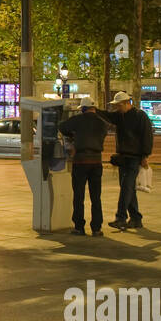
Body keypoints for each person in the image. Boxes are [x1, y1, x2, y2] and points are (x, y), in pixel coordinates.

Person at [96, 91, 154, 230]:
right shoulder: (120, 115)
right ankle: (135, 218)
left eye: (119, 105)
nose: (117, 108)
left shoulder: (140, 116)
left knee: (126, 187)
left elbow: (147, 136)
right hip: (123, 157)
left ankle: (121, 218)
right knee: (128, 188)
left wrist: (145, 156)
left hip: (134, 158)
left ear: (127, 103)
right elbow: (107, 116)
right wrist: (94, 109)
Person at [57, 98, 113, 236]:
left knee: (78, 195)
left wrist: (73, 136)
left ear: (83, 108)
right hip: (96, 161)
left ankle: (79, 227)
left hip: (80, 161)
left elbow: (62, 127)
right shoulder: (102, 123)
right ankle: (96, 228)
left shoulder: (78, 120)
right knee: (96, 197)